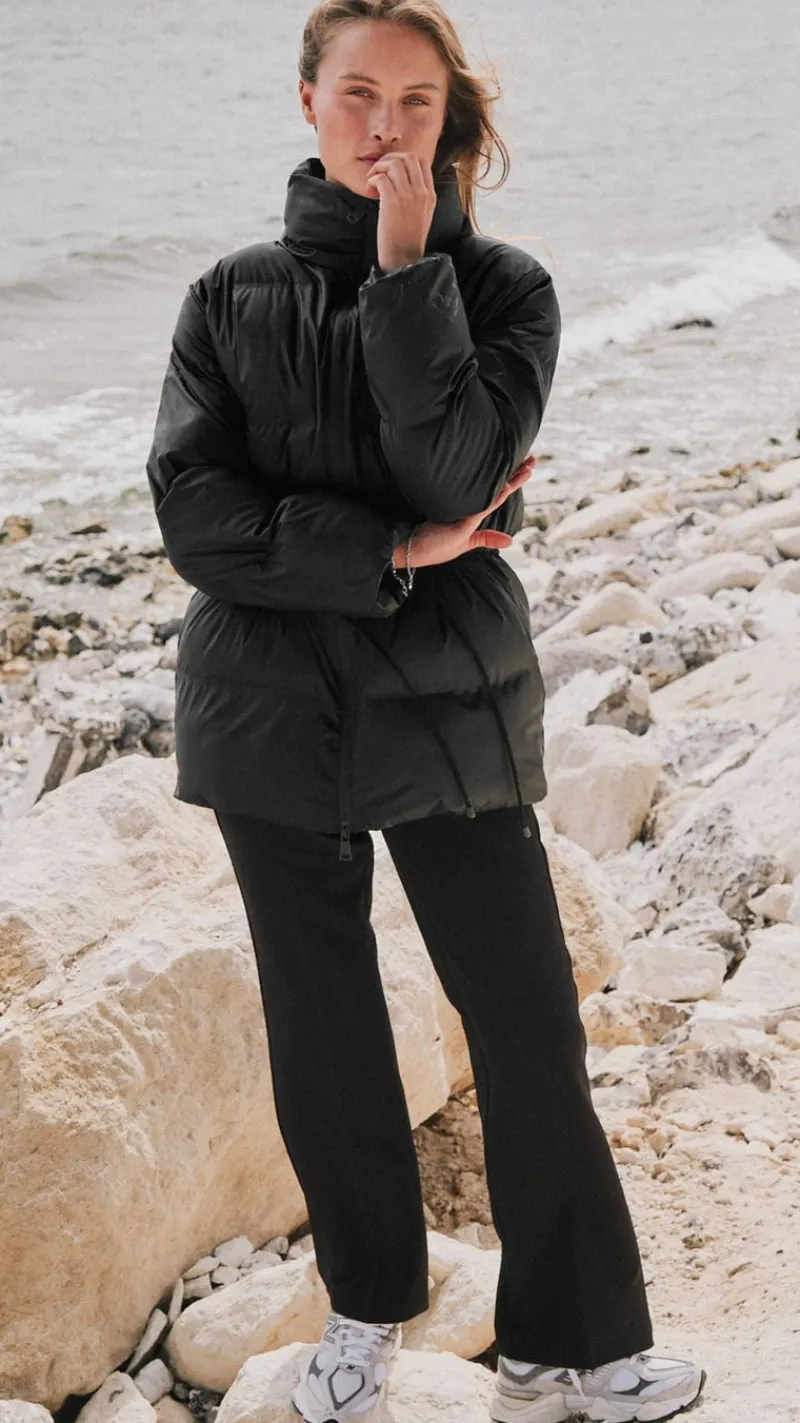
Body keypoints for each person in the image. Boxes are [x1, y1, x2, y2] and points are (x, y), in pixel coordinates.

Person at [145, 3, 706, 1420]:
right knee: (324, 1028)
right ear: (308, 100)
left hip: (450, 697)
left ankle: (570, 1343)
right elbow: (193, 516)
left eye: (415, 99)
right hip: (266, 712)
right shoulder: (225, 296)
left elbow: (460, 470)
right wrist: (393, 548)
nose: (384, 126)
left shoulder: (507, 292)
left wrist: (406, 273)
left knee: (524, 1015)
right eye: (358, 93)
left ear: (450, 118)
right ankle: (365, 1313)